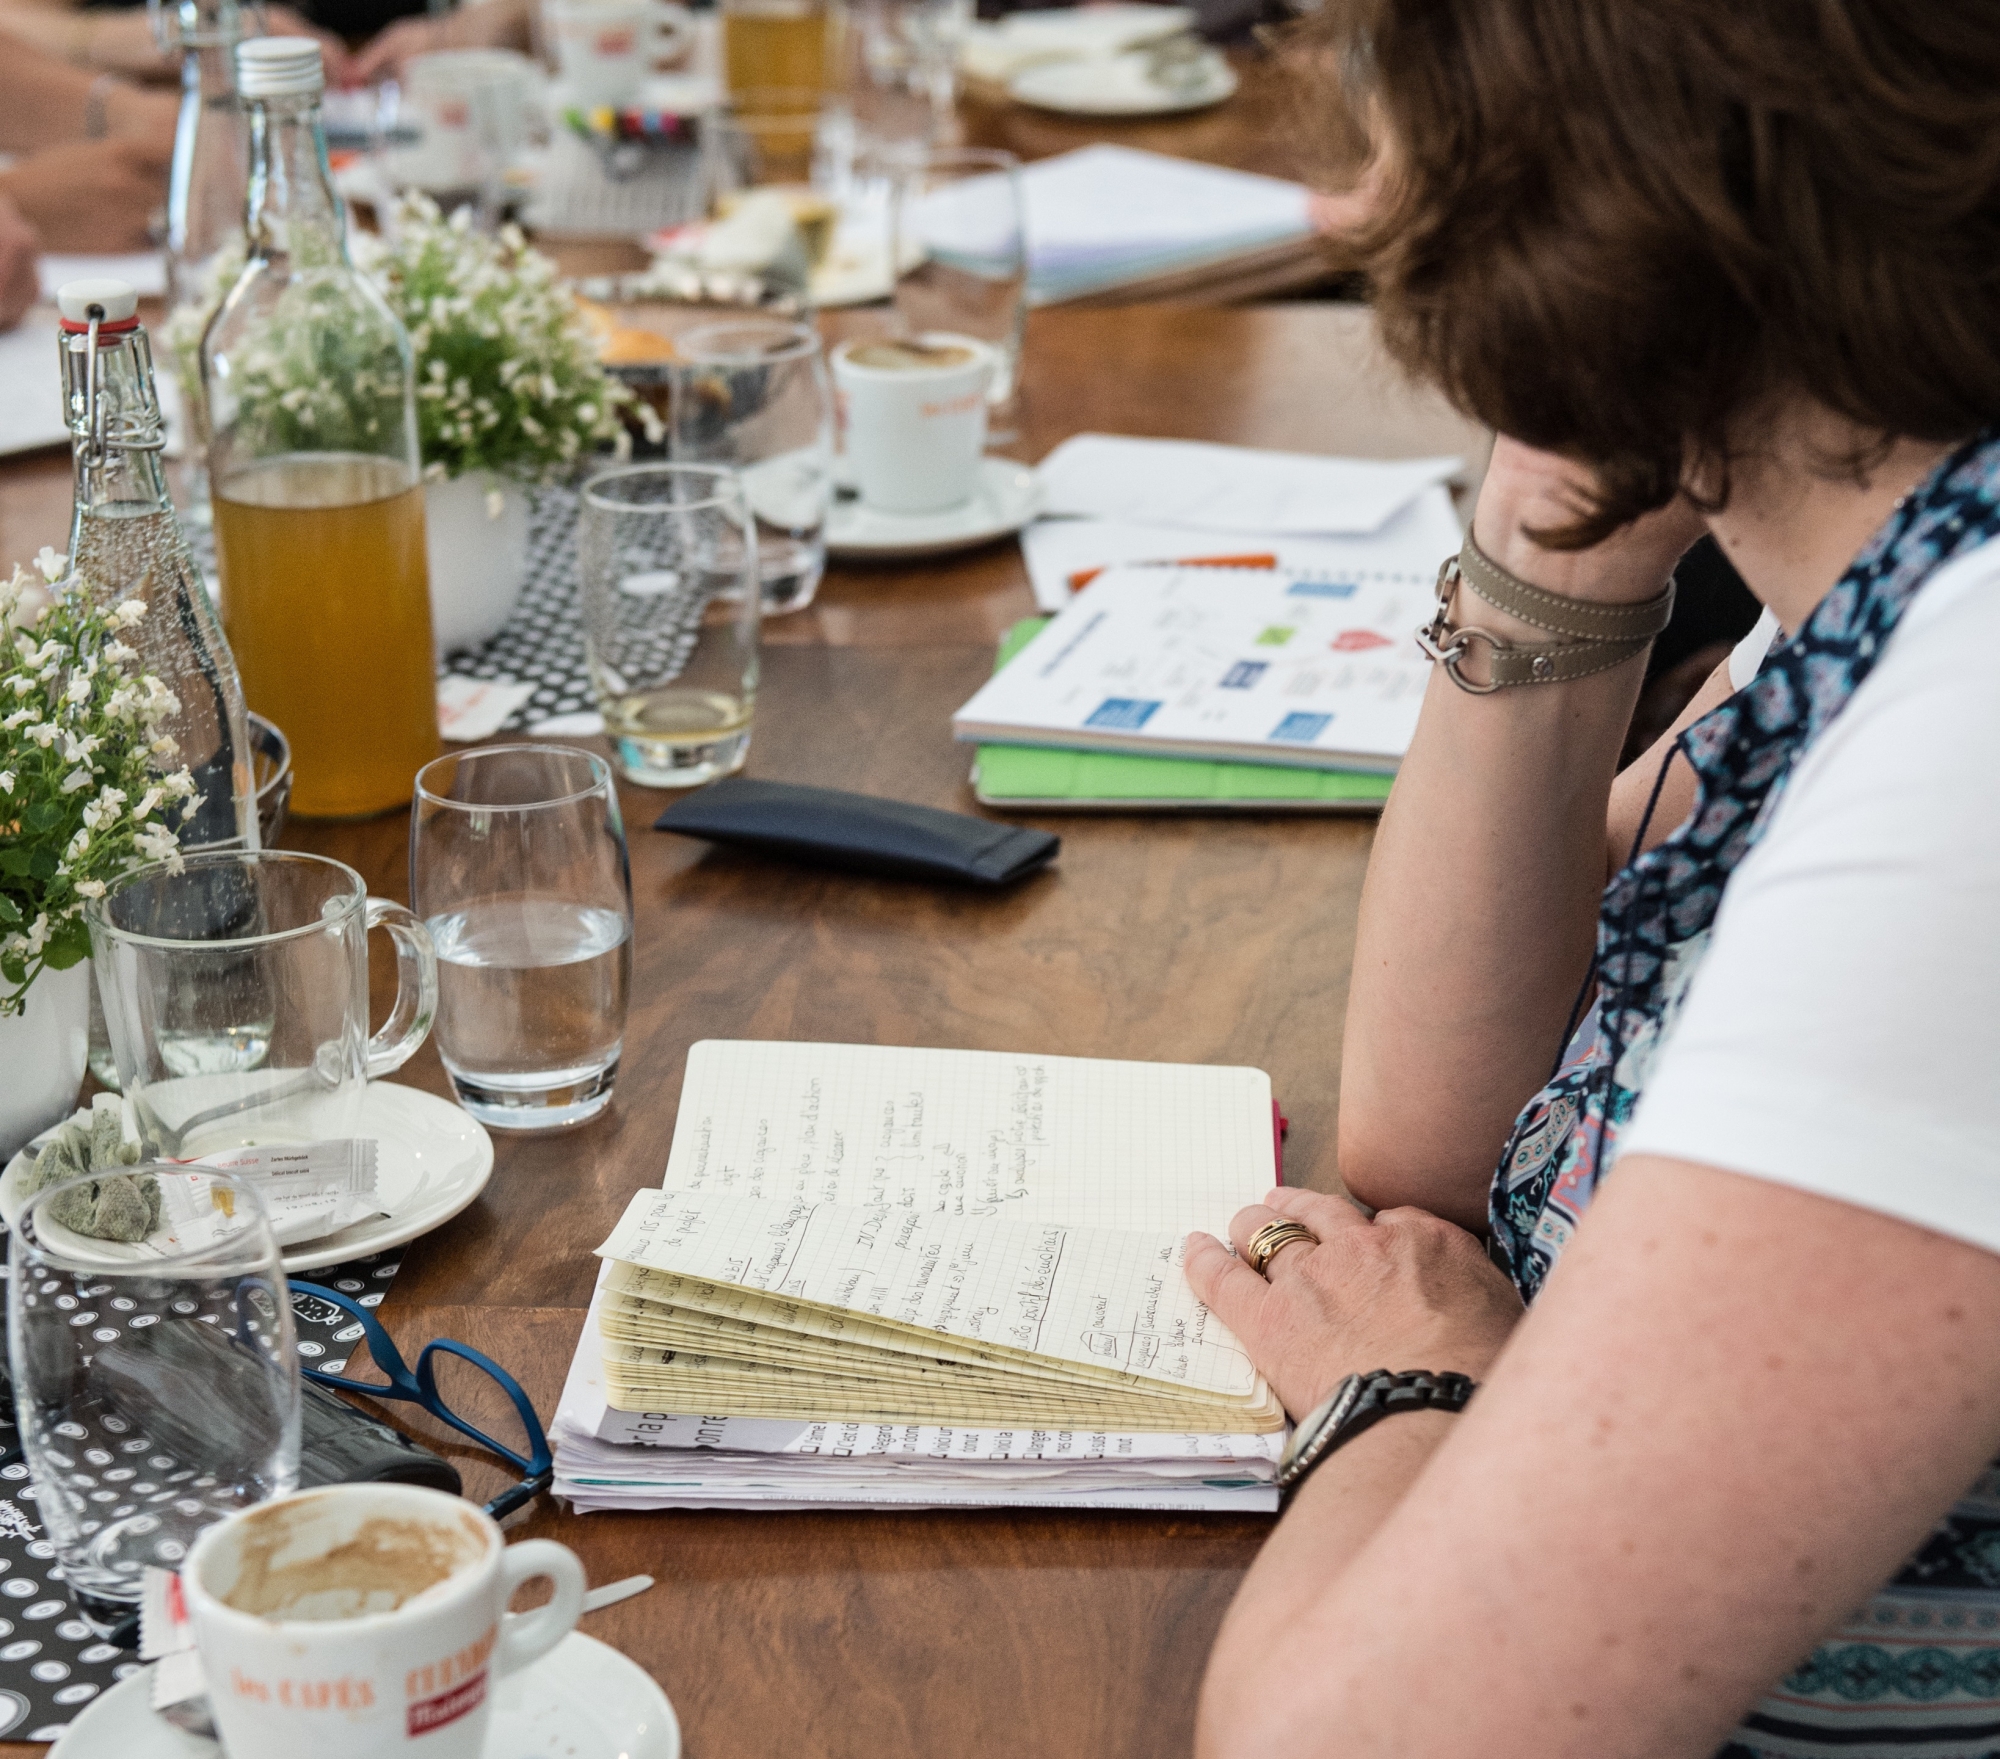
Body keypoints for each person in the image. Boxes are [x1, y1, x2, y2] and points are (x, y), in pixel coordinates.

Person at [1182, 5, 2000, 1757]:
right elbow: (1442, 1147)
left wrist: (1414, 1397)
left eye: (1399, 111)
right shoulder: (1874, 564)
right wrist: (1555, 517)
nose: (1351, 213)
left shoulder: (1974, 731)